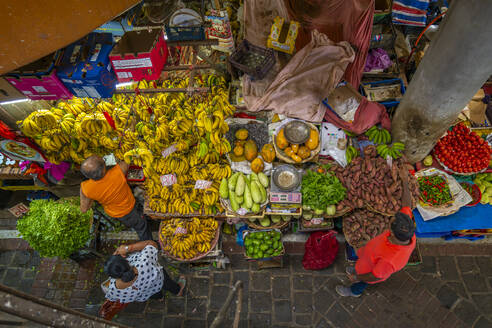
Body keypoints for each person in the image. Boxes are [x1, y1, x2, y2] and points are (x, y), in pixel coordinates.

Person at [336, 166, 416, 297]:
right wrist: (404, 180)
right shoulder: (405, 228)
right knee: (360, 263)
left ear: (392, 232)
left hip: (367, 272)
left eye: (391, 223)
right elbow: (406, 205)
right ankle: (356, 269)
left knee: (360, 283)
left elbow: (375, 276)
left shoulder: (390, 260)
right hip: (367, 257)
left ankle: (353, 291)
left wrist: (358, 278)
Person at [79, 155, 152, 241]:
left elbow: (84, 209)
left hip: (116, 213)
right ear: (103, 170)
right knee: (141, 227)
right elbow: (128, 158)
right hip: (129, 210)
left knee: (137, 218)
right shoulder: (118, 171)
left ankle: (143, 217)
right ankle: (149, 244)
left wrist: (93, 197)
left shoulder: (85, 188)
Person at [104, 240, 186, 303]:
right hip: (158, 280)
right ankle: (178, 291)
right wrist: (127, 248)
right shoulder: (145, 262)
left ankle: (160, 298)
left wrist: (114, 263)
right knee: (168, 284)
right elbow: (152, 244)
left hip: (146, 293)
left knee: (154, 293)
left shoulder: (113, 290)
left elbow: (112, 298)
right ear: (126, 261)